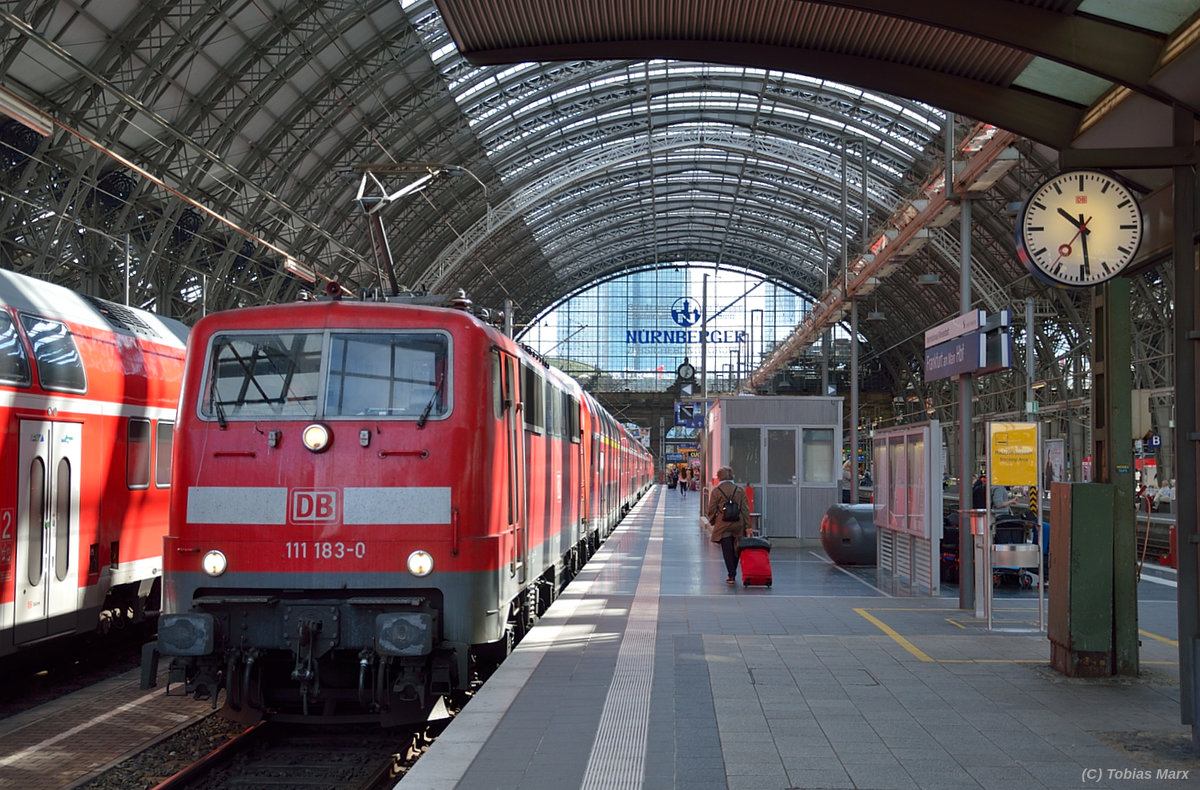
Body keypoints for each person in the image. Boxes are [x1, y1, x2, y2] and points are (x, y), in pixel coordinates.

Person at [707, 466, 752, 585]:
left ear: (719, 477)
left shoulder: (716, 491)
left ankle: (731, 575)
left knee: (727, 550)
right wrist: (748, 526)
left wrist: (713, 520)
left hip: (723, 524)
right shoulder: (739, 490)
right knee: (736, 548)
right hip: (738, 523)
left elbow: (711, 509)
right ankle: (733, 570)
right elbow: (745, 509)